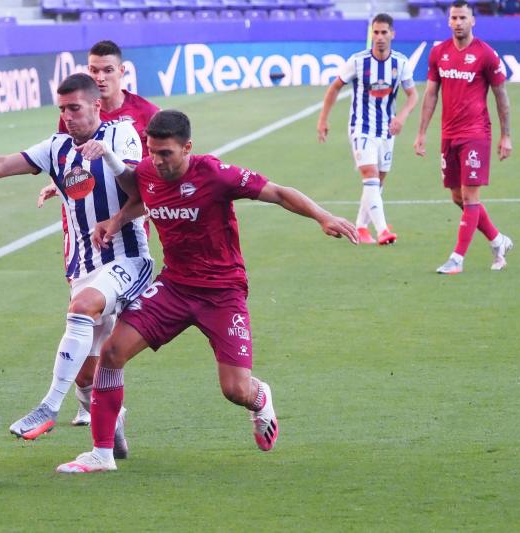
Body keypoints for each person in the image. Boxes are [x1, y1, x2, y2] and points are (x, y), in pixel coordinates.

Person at [56, 110, 358, 473]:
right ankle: (102, 454)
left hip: (222, 292)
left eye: (166, 153)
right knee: (112, 351)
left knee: (235, 390)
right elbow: (143, 196)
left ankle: (261, 398)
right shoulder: (149, 172)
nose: (157, 160)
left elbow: (277, 192)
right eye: (152, 151)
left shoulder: (215, 174)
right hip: (174, 286)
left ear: (187, 148)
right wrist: (116, 220)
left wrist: (323, 216)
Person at [0, 73, 153, 458]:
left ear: (96, 105)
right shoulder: (56, 147)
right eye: (62, 110)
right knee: (89, 375)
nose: (69, 116)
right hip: (84, 267)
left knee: (81, 307)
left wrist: (107, 163)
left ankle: (49, 407)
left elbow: (138, 189)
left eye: (75, 108)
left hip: (128, 258)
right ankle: (114, 422)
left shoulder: (120, 135)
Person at [36, 40, 160, 427]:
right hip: (81, 232)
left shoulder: (145, 115)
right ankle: (92, 399)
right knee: (89, 316)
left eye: (107, 69)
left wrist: (126, 217)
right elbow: (70, 161)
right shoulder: (74, 109)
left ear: (123, 72)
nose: (100, 76)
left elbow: (155, 174)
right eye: (94, 69)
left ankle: (95, 402)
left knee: (107, 317)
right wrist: (57, 186)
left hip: (127, 225)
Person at [414, 0, 513, 274]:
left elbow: (501, 96)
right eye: (454, 18)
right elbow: (431, 93)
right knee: (457, 198)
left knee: (470, 197)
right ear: (449, 21)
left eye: (463, 18)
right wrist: (422, 132)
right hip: (449, 135)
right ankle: (498, 240)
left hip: (476, 134)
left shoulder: (486, 55)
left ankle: (457, 259)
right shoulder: (438, 53)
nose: (458, 22)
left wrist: (506, 136)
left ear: (473, 21)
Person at [317, 13, 418, 246]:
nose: (380, 37)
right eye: (376, 32)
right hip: (361, 128)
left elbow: (413, 94)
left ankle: (362, 228)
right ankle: (383, 230)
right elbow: (334, 88)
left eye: (384, 32)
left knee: (378, 182)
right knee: (370, 176)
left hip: (386, 130)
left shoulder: (400, 63)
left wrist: (401, 116)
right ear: (371, 34)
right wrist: (323, 119)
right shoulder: (358, 61)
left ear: (392, 34)